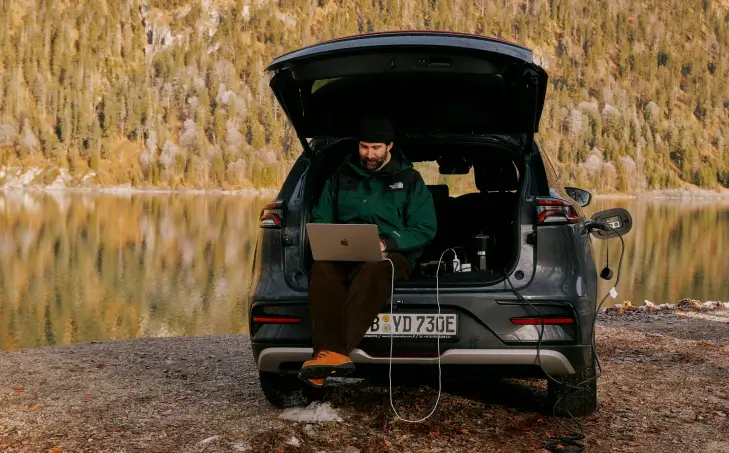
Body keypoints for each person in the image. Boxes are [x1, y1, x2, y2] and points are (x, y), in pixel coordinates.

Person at [298, 116, 437, 388]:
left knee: (377, 267)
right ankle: (328, 355)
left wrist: (387, 243)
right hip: (345, 251)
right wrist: (330, 238)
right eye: (364, 147)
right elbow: (321, 217)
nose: (369, 154)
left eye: (375, 148)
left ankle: (332, 355)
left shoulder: (409, 179)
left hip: (394, 255)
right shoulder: (341, 176)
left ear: (389, 146)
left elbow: (425, 228)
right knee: (323, 268)